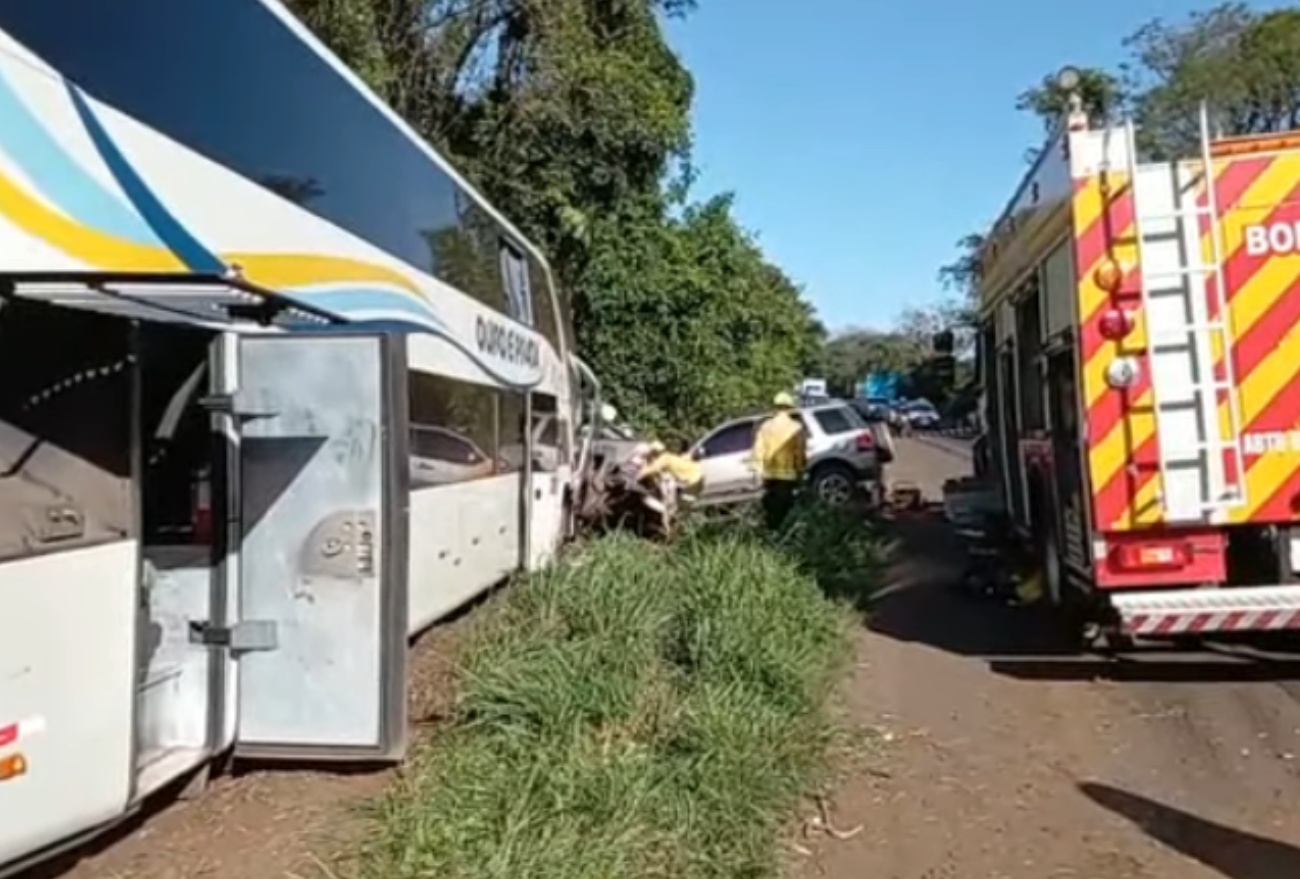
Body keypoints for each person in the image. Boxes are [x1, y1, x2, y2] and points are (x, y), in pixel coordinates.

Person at [751, 391, 808, 530]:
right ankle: (782, 535)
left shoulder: (765, 426)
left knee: (770, 507)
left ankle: (770, 532)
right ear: (790, 408)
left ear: (774, 407)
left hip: (769, 475)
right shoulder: (796, 427)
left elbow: (758, 451)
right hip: (788, 475)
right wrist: (801, 469)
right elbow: (799, 452)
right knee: (784, 507)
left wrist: (757, 473)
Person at [638, 440, 704, 502]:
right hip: (675, 491)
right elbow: (690, 482)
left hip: (664, 485)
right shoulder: (697, 469)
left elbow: (652, 468)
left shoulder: (671, 459)